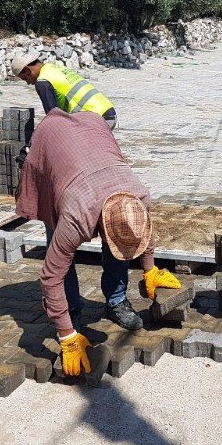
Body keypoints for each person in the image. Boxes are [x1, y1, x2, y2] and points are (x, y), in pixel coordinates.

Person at [14, 109, 181, 376]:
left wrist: (150, 269)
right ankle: (71, 313)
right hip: (53, 147)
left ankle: (115, 302)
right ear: (99, 225)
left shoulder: (139, 197)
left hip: (92, 132)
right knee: (60, 257)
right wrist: (66, 335)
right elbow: (49, 276)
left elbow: (143, 232)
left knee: (121, 238)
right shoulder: (75, 217)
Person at [11, 53, 118, 130]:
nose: (28, 83)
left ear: (27, 70)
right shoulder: (54, 67)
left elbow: (53, 119)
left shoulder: (42, 82)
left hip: (95, 120)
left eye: (25, 79)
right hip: (109, 112)